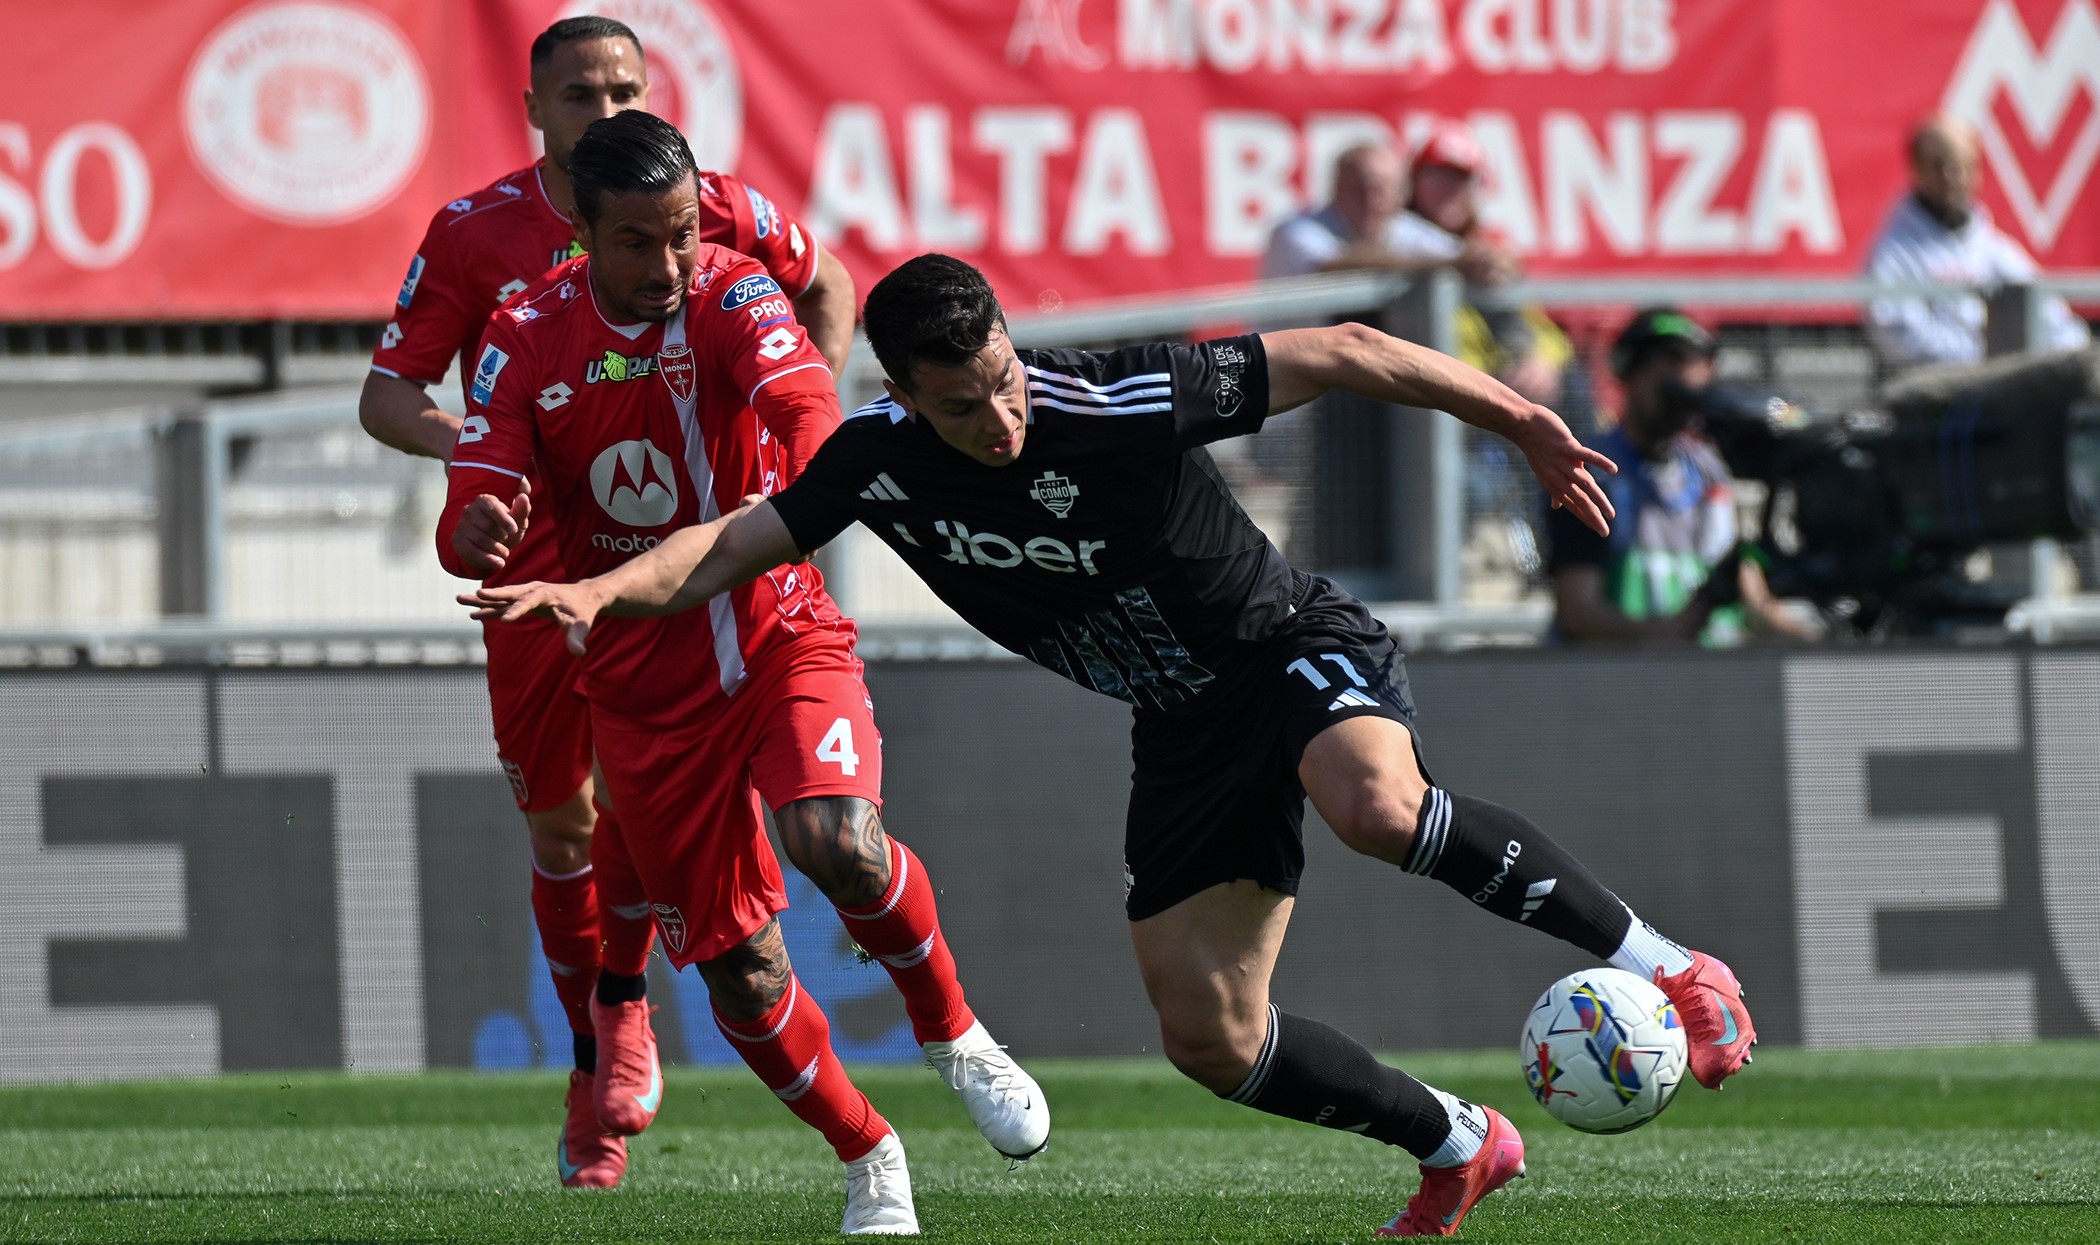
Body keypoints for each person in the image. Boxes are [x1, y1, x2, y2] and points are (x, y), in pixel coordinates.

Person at [469, 253, 1760, 1237]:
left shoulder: (1118, 400)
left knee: (1374, 804)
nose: (1001, 418)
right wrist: (597, 593)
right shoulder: (876, 461)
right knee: (1209, 1039)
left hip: (1282, 646)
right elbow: (734, 545)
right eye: (964, 406)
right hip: (1184, 728)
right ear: (904, 400)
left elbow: (1349, 348)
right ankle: (1455, 1142)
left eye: (1004, 380)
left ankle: (1671, 963)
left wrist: (1518, 423)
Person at [440, 117, 1047, 1236]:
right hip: (638, 690)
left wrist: (822, 471)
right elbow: (468, 498)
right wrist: (476, 522)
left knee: (838, 840)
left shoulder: (733, 293)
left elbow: (806, 404)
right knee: (741, 974)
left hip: (778, 633)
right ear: (580, 231)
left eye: (679, 235)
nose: (667, 264)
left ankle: (957, 1034)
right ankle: (870, 1152)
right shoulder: (522, 336)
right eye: (637, 243)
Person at [358, 15, 855, 1188]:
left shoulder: (703, 205)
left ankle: (617, 1020)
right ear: (535, 111)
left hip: (689, 559)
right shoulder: (479, 232)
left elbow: (828, 285)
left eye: (626, 88)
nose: (608, 110)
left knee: (643, 800)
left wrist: (801, 466)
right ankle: (599, 1058)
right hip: (543, 565)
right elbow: (387, 395)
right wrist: (488, 449)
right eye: (580, 93)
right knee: (565, 822)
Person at [1549, 308, 1822, 646]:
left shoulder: (1710, 471)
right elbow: (1579, 610)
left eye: (1691, 363)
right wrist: (1657, 636)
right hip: (1616, 680)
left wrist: (1813, 639)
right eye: (1664, 361)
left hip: (1700, 677)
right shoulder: (1591, 472)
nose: (1679, 379)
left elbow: (1746, 588)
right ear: (1628, 372)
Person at [1864, 114, 2090, 371]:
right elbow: (1900, 339)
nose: (1954, 176)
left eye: (1964, 165)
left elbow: (2053, 318)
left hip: (2001, 386)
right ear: (1917, 170)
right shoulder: (1893, 254)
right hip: (1932, 400)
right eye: (1940, 165)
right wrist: (1987, 358)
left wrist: (2075, 355)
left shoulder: (1994, 249)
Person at [1406, 122, 1573, 410]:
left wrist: (1542, 360)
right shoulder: (1394, 241)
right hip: (1433, 401)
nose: (1449, 191)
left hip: (1498, 394)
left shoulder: (1491, 252)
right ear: (1414, 183)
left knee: (1573, 384)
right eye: (1437, 178)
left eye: (1459, 180)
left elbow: (1540, 327)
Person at [1259, 142, 1488, 282]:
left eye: (1382, 191)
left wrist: (1492, 262)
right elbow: (1338, 268)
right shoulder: (1294, 231)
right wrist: (1446, 266)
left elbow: (1461, 256)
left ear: (1401, 194)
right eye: (1359, 189)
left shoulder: (1402, 227)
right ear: (1337, 188)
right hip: (1285, 360)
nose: (1372, 201)